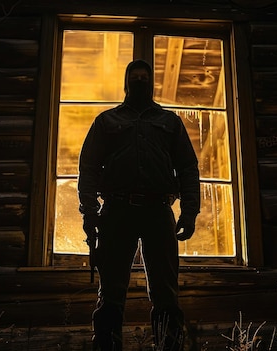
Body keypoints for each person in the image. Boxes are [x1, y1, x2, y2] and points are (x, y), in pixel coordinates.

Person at [77, 59, 200, 351]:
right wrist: (90, 212)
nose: (141, 79)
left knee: (166, 293)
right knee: (110, 293)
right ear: (126, 82)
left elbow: (187, 167)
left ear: (152, 82)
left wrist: (190, 211)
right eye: (135, 76)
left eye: (145, 76)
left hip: (158, 212)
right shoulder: (107, 121)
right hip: (117, 213)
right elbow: (89, 167)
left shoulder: (170, 122)